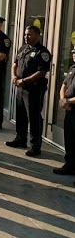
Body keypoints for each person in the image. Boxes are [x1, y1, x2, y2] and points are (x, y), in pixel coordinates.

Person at [6, 25, 52, 157]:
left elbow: (41, 72)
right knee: (20, 114)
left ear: (38, 35)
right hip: (20, 87)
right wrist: (14, 77)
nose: (26, 37)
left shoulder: (42, 52)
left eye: (30, 35)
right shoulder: (23, 48)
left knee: (34, 117)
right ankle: (20, 139)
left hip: (34, 89)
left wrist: (24, 81)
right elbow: (15, 63)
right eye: (25, 34)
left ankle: (35, 145)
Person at [53, 47, 75, 178]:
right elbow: (64, 85)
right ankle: (70, 166)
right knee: (69, 139)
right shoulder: (72, 68)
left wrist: (68, 101)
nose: (74, 55)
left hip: (72, 106)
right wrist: (62, 99)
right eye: (73, 53)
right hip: (70, 110)